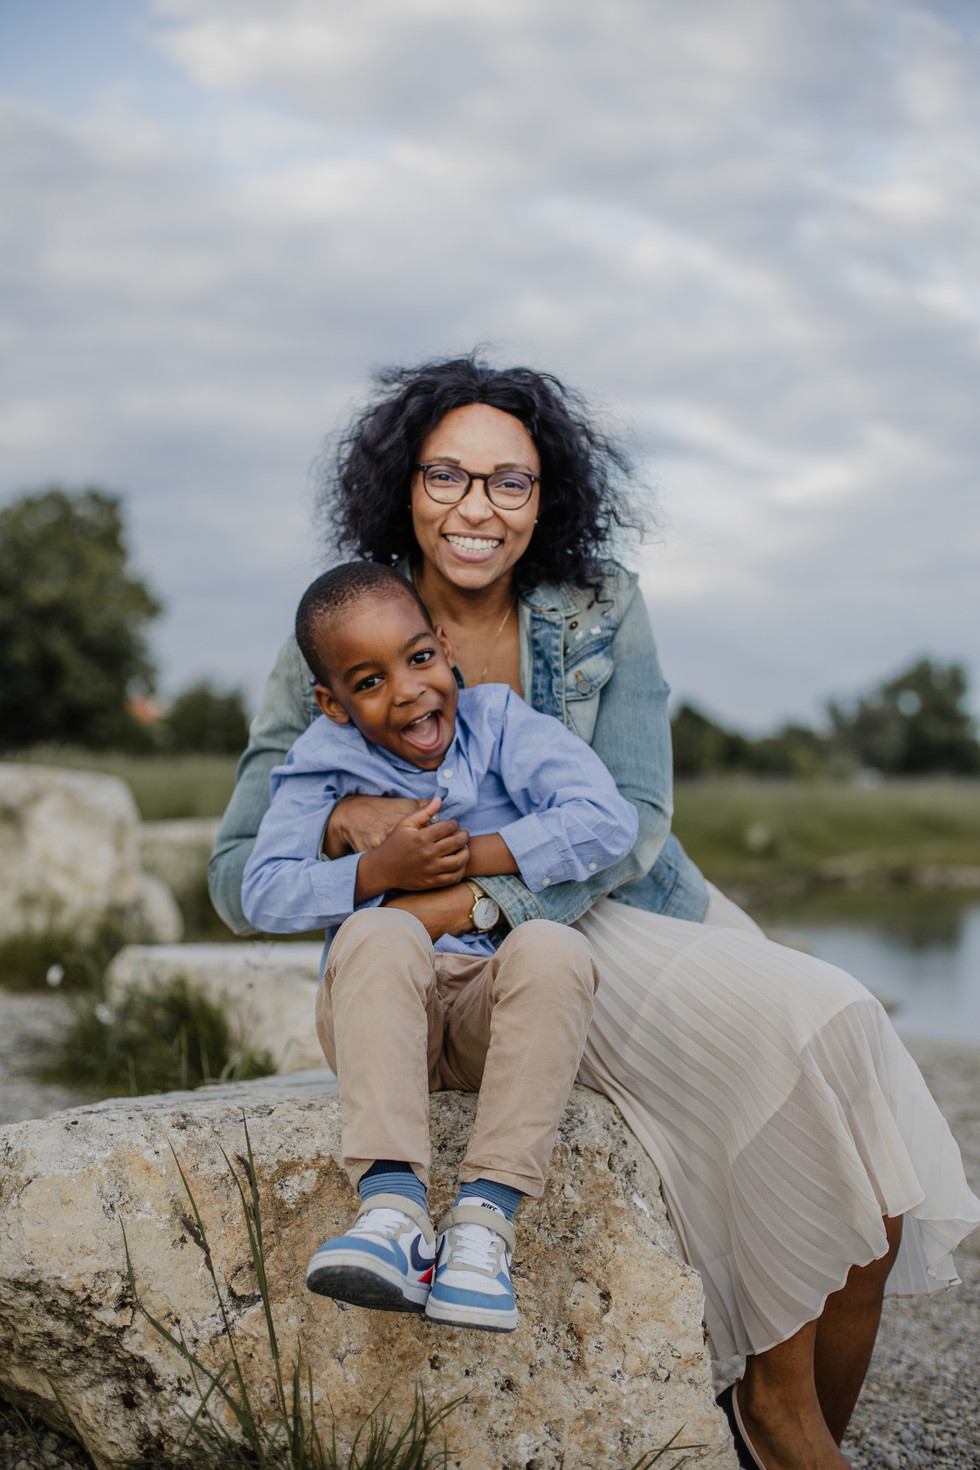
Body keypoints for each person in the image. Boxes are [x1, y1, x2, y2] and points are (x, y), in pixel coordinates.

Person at [211, 355, 979, 1469]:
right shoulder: (343, 631)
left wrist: (468, 887)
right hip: (503, 948)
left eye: (509, 481)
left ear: (545, 495)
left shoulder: (600, 602)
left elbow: (635, 818)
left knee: (852, 1067)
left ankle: (778, 1410)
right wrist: (345, 829)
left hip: (624, 900)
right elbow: (241, 871)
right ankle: (781, 1418)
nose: (477, 507)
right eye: (447, 476)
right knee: (806, 1052)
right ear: (404, 486)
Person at [241, 560, 636, 1332]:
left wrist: (463, 855)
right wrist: (377, 873)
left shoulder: (500, 723)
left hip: (495, 1015)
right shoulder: (323, 762)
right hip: (386, 1017)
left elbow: (608, 820)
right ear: (333, 704)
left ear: (446, 650)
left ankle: (484, 1228)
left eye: (419, 658)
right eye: (369, 681)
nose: (408, 690)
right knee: (382, 928)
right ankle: (393, 1214)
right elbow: (263, 891)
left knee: (552, 949)